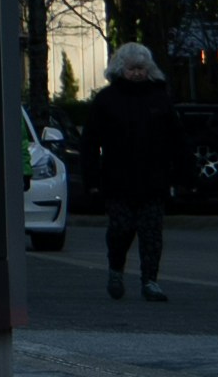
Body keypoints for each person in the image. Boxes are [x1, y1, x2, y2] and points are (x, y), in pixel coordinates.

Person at [78, 39, 181, 302]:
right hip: (117, 180)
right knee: (120, 229)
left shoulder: (160, 99)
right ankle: (116, 269)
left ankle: (150, 280)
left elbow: (176, 139)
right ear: (120, 68)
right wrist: (91, 179)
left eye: (141, 68)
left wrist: (181, 173)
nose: (137, 73)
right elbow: (90, 142)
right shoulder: (106, 100)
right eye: (132, 68)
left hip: (152, 180)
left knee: (151, 234)